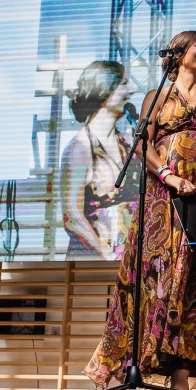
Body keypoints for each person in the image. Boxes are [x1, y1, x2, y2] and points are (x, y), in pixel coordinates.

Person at [84, 30, 196, 390]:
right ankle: (121, 368)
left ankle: (181, 379)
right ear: (178, 53)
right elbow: (142, 144)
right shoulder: (157, 97)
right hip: (163, 202)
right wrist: (170, 176)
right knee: (151, 281)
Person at [60, 61, 138, 259]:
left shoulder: (128, 144)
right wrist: (106, 255)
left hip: (127, 258)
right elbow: (72, 217)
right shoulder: (80, 148)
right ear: (104, 89)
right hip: (93, 261)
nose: (131, 90)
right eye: (123, 84)